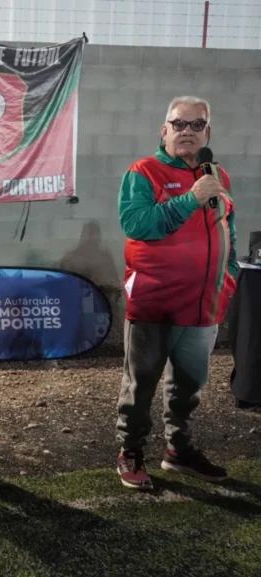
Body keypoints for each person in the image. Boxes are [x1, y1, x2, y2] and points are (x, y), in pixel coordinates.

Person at [115, 95, 237, 490]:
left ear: (207, 132)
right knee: (142, 382)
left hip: (203, 305)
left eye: (196, 124)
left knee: (189, 383)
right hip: (155, 302)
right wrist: (190, 199)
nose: (187, 131)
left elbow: (227, 229)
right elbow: (138, 224)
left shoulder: (215, 175)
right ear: (163, 129)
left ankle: (177, 450)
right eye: (178, 124)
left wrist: (228, 277)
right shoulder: (143, 172)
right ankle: (130, 450)